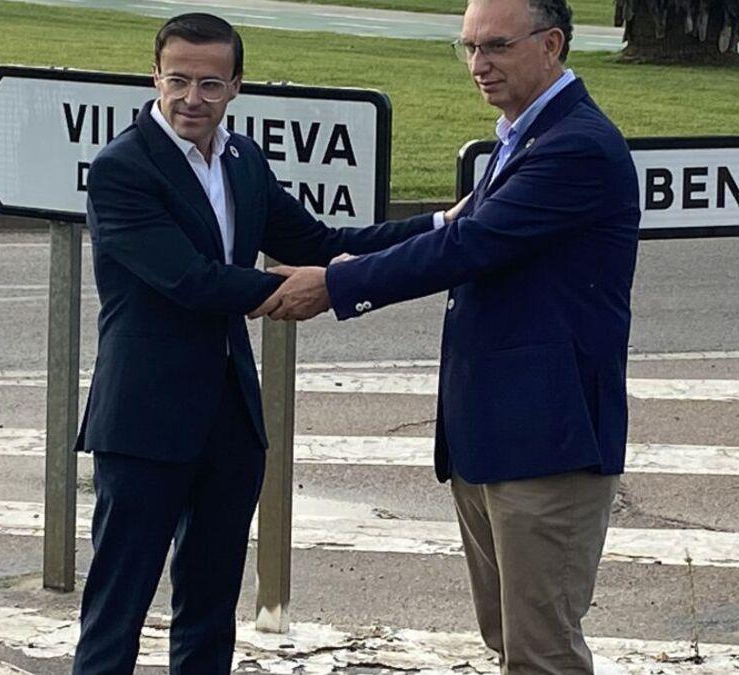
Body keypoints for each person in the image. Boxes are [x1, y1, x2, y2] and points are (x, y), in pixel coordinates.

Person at [260, 0, 641, 672]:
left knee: (542, 652)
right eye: (467, 46)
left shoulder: (574, 146)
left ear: (551, 45)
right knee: (508, 639)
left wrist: (336, 286)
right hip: (493, 435)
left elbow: (469, 247)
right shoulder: (521, 136)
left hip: (548, 441)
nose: (477, 65)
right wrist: (356, 253)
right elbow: (452, 230)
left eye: (495, 46)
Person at [71, 13, 433, 675]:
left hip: (230, 418)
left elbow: (319, 244)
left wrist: (437, 229)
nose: (191, 99)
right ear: (154, 75)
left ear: (236, 85)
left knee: (210, 607)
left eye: (210, 84)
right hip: (144, 421)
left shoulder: (243, 161)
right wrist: (293, 292)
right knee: (116, 608)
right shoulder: (122, 169)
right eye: (177, 80)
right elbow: (188, 279)